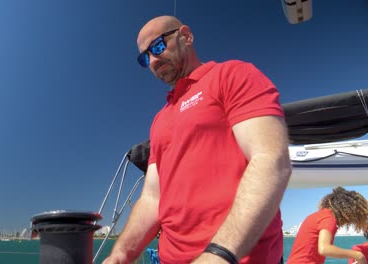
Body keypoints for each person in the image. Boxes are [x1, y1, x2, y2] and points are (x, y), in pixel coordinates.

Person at [103, 15, 292, 264]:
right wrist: (118, 256)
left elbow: (270, 158)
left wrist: (219, 254)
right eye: (144, 57)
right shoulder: (160, 119)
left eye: (157, 46)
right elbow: (152, 198)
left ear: (186, 36)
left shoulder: (232, 74)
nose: (152, 60)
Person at [287, 187, 368, 264]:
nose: (349, 221)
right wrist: (357, 255)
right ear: (349, 211)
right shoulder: (329, 219)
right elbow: (324, 249)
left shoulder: (318, 216)